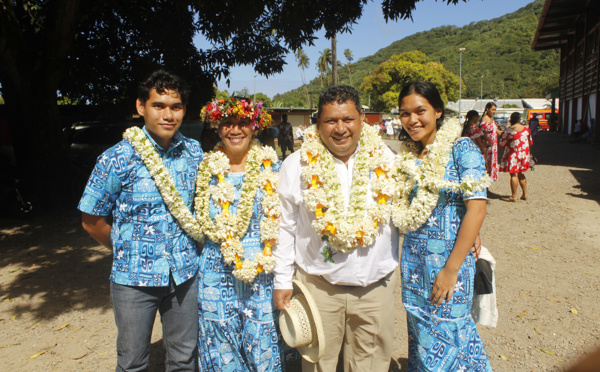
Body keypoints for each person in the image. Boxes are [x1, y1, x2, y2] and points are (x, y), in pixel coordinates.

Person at [78, 70, 203, 371]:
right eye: (159, 105)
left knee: (184, 359)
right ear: (140, 107)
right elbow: (91, 219)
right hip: (133, 279)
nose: (168, 114)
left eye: (176, 107)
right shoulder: (116, 158)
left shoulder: (195, 153)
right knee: (132, 361)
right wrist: (125, 248)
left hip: (185, 274)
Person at [274, 85, 399, 371]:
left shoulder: (389, 161)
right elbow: (285, 227)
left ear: (362, 118)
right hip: (319, 288)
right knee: (319, 366)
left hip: (375, 289)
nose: (340, 128)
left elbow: (417, 210)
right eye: (331, 120)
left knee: (370, 366)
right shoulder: (296, 165)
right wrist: (282, 279)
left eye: (348, 119)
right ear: (318, 122)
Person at [394, 81, 492, 371]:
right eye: (404, 113)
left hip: (451, 265)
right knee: (422, 338)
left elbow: (477, 207)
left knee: (452, 333)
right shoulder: (407, 156)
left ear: (438, 111)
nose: (412, 120)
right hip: (414, 265)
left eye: (420, 111)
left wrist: (451, 270)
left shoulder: (461, 149)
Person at [196, 97, 285, 371]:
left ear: (255, 126)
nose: (235, 130)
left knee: (262, 345)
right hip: (215, 271)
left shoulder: (275, 168)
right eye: (227, 124)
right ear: (217, 128)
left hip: (261, 272)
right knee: (221, 346)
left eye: (242, 123)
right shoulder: (204, 170)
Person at [499, 112, 532, 202]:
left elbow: (501, 143)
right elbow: (530, 141)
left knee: (514, 174)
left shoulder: (509, 130)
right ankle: (525, 193)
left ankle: (514, 196)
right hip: (524, 155)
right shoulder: (526, 129)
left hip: (513, 154)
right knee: (521, 173)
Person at [480, 101, 502, 181]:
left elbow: (497, 131)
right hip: (488, 145)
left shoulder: (491, 119)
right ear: (487, 109)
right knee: (487, 163)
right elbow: (484, 131)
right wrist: (486, 141)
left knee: (491, 162)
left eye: (495, 110)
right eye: (492, 109)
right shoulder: (484, 118)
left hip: (493, 145)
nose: (494, 111)